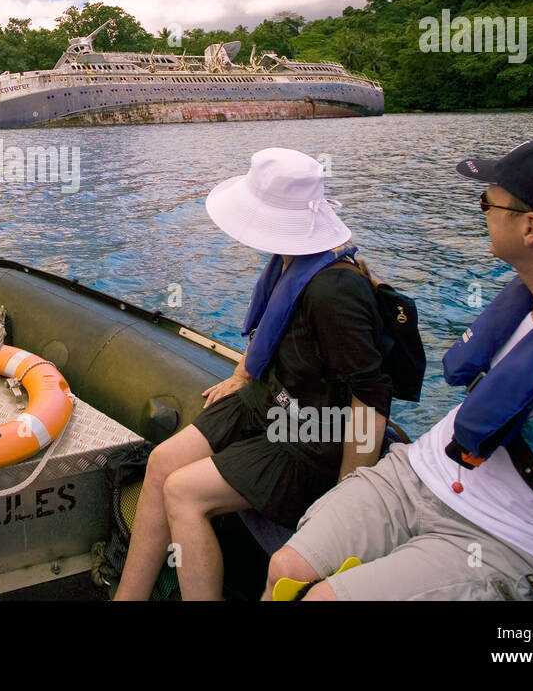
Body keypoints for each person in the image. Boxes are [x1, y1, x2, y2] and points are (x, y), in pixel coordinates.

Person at [266, 137, 533, 601]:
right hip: (423, 474)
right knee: (287, 568)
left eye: (487, 202)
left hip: (520, 543)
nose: (481, 212)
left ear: (531, 229)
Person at [114, 148, 391, 601]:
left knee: (184, 492)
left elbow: (371, 393)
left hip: (307, 439)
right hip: (268, 401)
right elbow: (272, 330)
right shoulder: (291, 260)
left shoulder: (336, 289)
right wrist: (243, 374)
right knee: (163, 462)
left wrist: (348, 494)